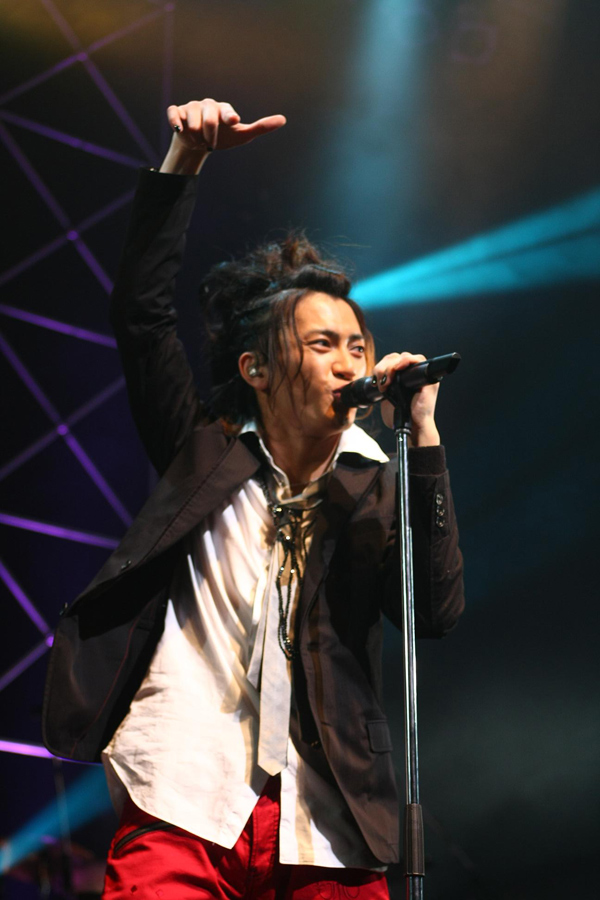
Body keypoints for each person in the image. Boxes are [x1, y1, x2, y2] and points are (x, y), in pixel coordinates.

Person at [42, 99, 464, 900]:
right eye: (322, 344)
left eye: (358, 346)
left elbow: (435, 611)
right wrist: (185, 160)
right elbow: (140, 315)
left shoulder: (378, 480)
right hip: (185, 789)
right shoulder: (203, 451)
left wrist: (425, 442)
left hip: (329, 811)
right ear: (257, 370)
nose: (349, 363)